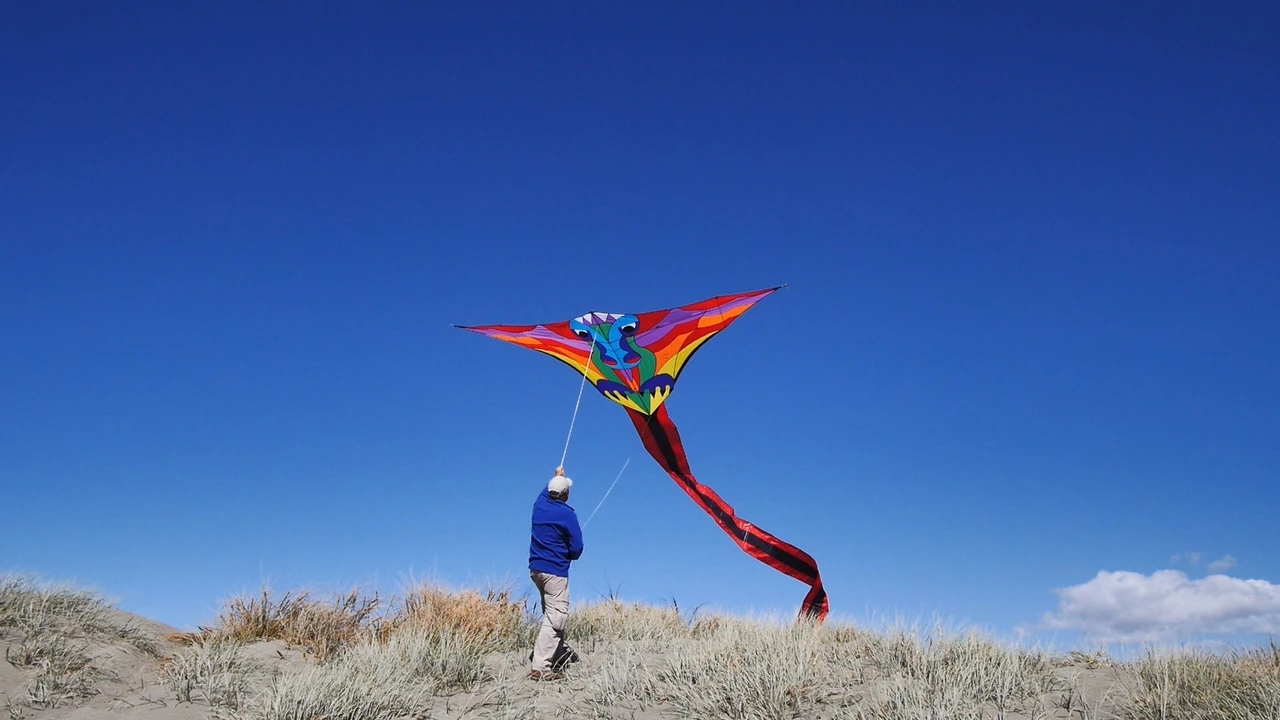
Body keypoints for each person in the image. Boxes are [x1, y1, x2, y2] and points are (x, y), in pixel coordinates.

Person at [528, 466, 583, 681]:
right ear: (565, 495)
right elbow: (577, 548)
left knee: (551, 612)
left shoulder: (539, 505)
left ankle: (557, 653)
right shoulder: (567, 514)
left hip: (536, 570)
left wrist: (556, 476)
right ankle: (541, 667)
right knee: (556, 617)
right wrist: (570, 554)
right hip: (554, 572)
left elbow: (545, 492)